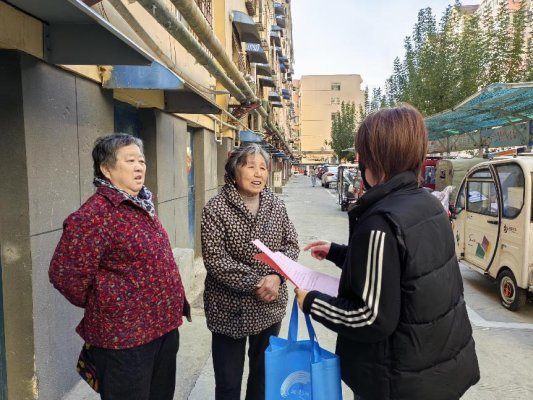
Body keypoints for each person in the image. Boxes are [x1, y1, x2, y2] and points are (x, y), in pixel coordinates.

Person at [295, 106, 480, 400]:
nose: (357, 160)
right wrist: (337, 252)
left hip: (397, 381)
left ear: (378, 158)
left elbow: (371, 318)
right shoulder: (428, 204)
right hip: (437, 370)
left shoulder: (380, 222)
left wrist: (312, 302)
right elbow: (400, 272)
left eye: (362, 153)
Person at [49, 133, 190, 400]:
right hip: (125, 340)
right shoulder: (94, 215)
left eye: (142, 160)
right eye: (130, 161)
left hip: (162, 329)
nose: (140, 167)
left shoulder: (141, 203)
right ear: (107, 168)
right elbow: (65, 275)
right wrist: (112, 303)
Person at [201, 143, 299, 400]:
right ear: (234, 171)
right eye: (251, 166)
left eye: (263, 167)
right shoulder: (215, 208)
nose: (258, 173)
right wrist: (259, 282)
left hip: (269, 308)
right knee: (228, 383)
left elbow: (291, 245)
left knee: (262, 379)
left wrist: (277, 277)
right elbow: (215, 259)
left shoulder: (275, 205)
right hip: (228, 309)